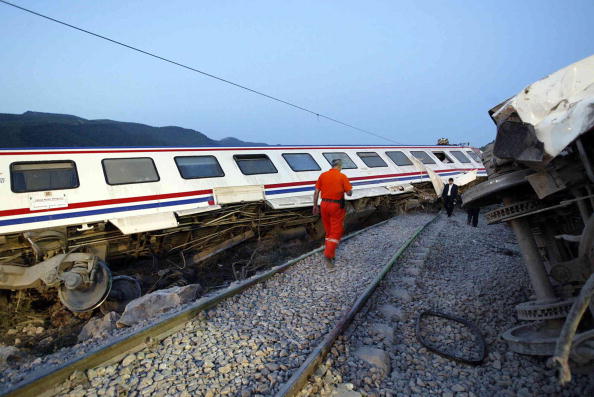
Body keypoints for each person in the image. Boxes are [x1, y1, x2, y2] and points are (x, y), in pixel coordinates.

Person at [312, 159, 353, 269]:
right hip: (336, 206)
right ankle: (328, 256)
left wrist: (315, 206)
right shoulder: (342, 176)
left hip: (324, 204)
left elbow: (316, 192)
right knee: (336, 231)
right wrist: (348, 190)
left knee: (328, 230)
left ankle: (331, 252)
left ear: (332, 165)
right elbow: (349, 193)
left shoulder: (323, 175)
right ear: (339, 166)